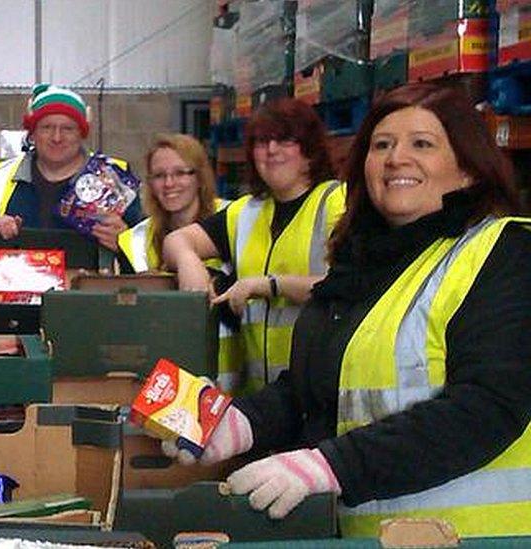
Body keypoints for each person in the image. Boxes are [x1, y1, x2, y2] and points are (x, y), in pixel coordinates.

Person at [167, 83, 531, 537]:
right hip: (374, 536)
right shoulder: (364, 262)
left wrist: (333, 465)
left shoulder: (505, 251)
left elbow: (489, 406)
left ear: (468, 169)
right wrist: (242, 423)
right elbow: (313, 388)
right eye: (382, 145)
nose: (396, 158)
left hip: (476, 538)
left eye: (423, 144)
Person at [162, 98, 345, 395]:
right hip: (265, 396)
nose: (271, 151)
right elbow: (176, 240)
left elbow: (349, 286)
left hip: (322, 389)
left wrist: (269, 285)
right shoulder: (246, 212)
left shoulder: (336, 203)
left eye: (285, 140)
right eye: (262, 142)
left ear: (309, 152)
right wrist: (188, 262)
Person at [0, 83, 143, 250]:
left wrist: (125, 243)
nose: (57, 137)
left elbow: (147, 257)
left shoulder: (114, 179)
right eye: (47, 127)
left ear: (81, 134)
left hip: (90, 279)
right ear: (33, 133)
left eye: (68, 129)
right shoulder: (0, 177)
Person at [118, 133, 225, 273]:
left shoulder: (231, 219)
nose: (169, 183)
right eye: (159, 176)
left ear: (200, 177)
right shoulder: (136, 240)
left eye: (180, 173)